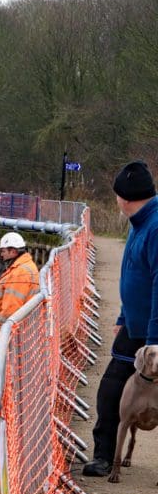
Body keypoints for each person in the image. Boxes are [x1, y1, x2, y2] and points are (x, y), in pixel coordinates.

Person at [84, 161, 158, 476]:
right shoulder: (138, 222)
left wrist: (154, 338)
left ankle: (103, 458)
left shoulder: (154, 227)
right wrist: (123, 314)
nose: (115, 200)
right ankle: (103, 454)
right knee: (113, 385)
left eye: (116, 195)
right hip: (134, 323)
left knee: (111, 387)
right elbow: (134, 275)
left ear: (125, 197)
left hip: (149, 332)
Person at [0, 231, 40, 342]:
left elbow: (11, 308)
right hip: (20, 330)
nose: (1, 255)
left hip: (12, 334)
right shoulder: (24, 267)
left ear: (13, 251)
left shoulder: (19, 273)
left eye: (3, 251)